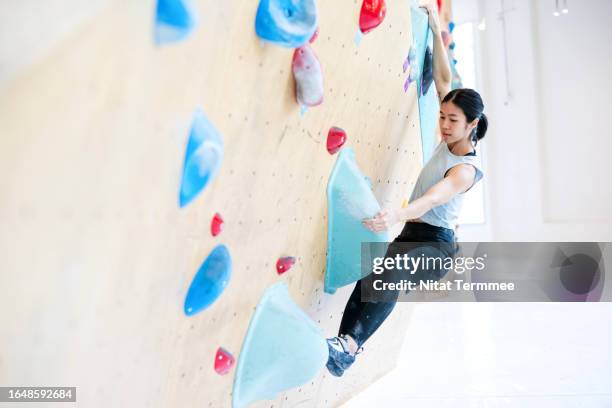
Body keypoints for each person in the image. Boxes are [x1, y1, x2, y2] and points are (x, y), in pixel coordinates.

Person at [325, 4, 488, 377]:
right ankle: (343, 349)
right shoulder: (452, 136)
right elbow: (445, 79)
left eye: (452, 121)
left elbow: (433, 199)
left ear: (472, 125)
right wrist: (433, 24)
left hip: (436, 247)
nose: (444, 126)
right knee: (373, 276)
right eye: (442, 117)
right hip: (412, 235)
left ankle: (348, 346)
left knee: (391, 274)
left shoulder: (466, 169)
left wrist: (397, 212)